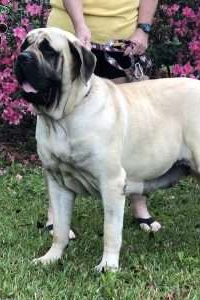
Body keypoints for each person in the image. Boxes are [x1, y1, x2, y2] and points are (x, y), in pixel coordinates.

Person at [46, 0, 161, 233]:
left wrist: (144, 28)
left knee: (131, 131)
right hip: (68, 40)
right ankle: (54, 213)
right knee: (58, 129)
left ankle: (139, 203)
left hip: (121, 41)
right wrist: (79, 26)